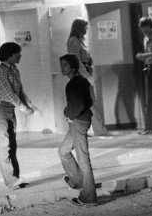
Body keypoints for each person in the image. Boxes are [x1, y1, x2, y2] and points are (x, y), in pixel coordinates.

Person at [0, 42, 35, 190]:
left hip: (10, 109)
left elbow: (19, 90)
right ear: (9, 55)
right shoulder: (0, 71)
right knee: (4, 145)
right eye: (17, 53)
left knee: (12, 145)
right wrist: (24, 108)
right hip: (0, 109)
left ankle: (16, 178)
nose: (20, 55)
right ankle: (10, 180)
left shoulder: (14, 70)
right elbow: (9, 94)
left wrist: (28, 104)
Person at [58, 53, 99, 207]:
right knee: (63, 151)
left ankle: (89, 197)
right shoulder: (81, 81)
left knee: (83, 159)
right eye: (61, 64)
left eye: (65, 65)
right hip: (82, 120)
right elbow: (88, 101)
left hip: (78, 121)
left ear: (73, 67)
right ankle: (77, 181)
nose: (63, 67)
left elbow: (81, 104)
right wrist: (69, 112)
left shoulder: (73, 84)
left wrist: (69, 115)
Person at [67, 18, 109, 137]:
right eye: (84, 27)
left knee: (87, 103)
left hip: (85, 74)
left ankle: (88, 130)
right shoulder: (74, 41)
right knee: (89, 102)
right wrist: (86, 77)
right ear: (79, 28)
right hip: (81, 77)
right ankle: (99, 130)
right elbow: (77, 62)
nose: (86, 29)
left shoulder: (80, 41)